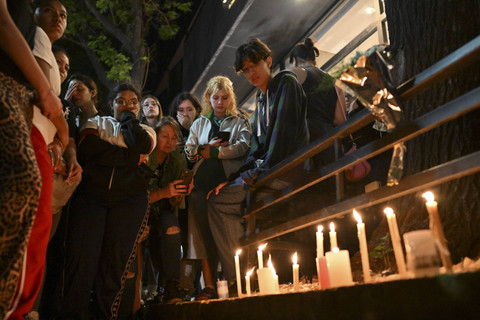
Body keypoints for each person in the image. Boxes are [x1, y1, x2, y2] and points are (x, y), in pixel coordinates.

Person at [206, 38, 309, 290]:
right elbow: (256, 148)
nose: (251, 73)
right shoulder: (260, 101)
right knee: (217, 199)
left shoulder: (285, 83)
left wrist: (259, 171)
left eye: (254, 66)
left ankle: (238, 278)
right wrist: (236, 177)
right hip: (270, 171)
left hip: (288, 168)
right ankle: (243, 275)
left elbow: (282, 136)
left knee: (219, 204)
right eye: (246, 70)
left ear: (269, 61)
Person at [57, 84, 156, 319]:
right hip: (91, 198)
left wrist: (128, 120)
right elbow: (89, 148)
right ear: (111, 104)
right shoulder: (96, 122)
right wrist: (131, 158)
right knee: (82, 262)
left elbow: (141, 144)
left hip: (129, 202)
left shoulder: (146, 130)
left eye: (133, 102)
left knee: (114, 267)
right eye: (121, 101)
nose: (127, 105)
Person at [7, 0, 70, 317]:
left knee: (38, 225)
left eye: (63, 15)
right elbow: (40, 93)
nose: (58, 18)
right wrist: (63, 126)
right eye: (50, 10)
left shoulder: (41, 43)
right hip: (25, 131)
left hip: (40, 140)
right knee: (30, 222)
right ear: (31, 12)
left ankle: (20, 307)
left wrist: (59, 141)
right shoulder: (31, 37)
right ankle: (14, 308)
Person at [185, 76, 251, 299]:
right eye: (215, 98)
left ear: (230, 98)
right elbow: (189, 151)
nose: (220, 102)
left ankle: (233, 282)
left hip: (227, 185)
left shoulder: (239, 121)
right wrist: (204, 148)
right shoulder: (200, 122)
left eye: (224, 98)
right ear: (208, 98)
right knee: (202, 237)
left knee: (223, 235)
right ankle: (210, 286)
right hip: (200, 186)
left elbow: (244, 147)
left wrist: (217, 152)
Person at [146, 116, 193, 303]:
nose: (169, 141)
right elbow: (135, 196)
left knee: (172, 227)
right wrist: (164, 192)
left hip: (163, 210)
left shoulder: (177, 160)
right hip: (140, 209)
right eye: (164, 136)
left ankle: (172, 285)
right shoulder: (145, 155)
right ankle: (158, 286)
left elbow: (175, 202)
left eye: (173, 138)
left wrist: (181, 192)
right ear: (156, 135)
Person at [289, 37, 338, 167]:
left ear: (295, 61)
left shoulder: (296, 72)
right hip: (330, 144)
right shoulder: (334, 81)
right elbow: (340, 119)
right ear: (314, 60)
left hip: (307, 143)